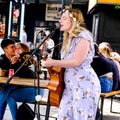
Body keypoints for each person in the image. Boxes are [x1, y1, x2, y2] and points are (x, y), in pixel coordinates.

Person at [41, 8, 101, 120]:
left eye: (64, 18)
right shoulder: (68, 38)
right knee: (63, 116)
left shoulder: (83, 36)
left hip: (84, 85)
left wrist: (52, 62)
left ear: (73, 21)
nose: (60, 21)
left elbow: (76, 61)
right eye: (60, 18)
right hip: (70, 87)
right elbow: (65, 64)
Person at [0, 39, 43, 120]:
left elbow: (27, 74)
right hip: (23, 88)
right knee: (7, 90)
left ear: (24, 50)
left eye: (17, 48)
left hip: (35, 91)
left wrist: (16, 63)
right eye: (14, 47)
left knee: (7, 91)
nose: (15, 49)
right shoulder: (15, 59)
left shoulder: (27, 59)